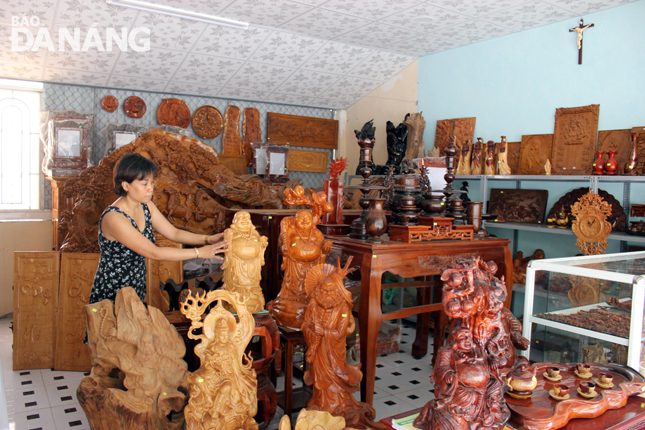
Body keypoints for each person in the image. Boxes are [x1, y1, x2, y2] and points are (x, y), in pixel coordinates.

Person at [89, 153, 228, 305]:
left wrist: (207, 239)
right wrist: (199, 252)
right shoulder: (114, 218)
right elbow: (153, 252)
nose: (150, 189)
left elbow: (174, 233)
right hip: (112, 292)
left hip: (136, 287)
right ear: (126, 185)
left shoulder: (145, 206)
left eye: (152, 183)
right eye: (144, 184)